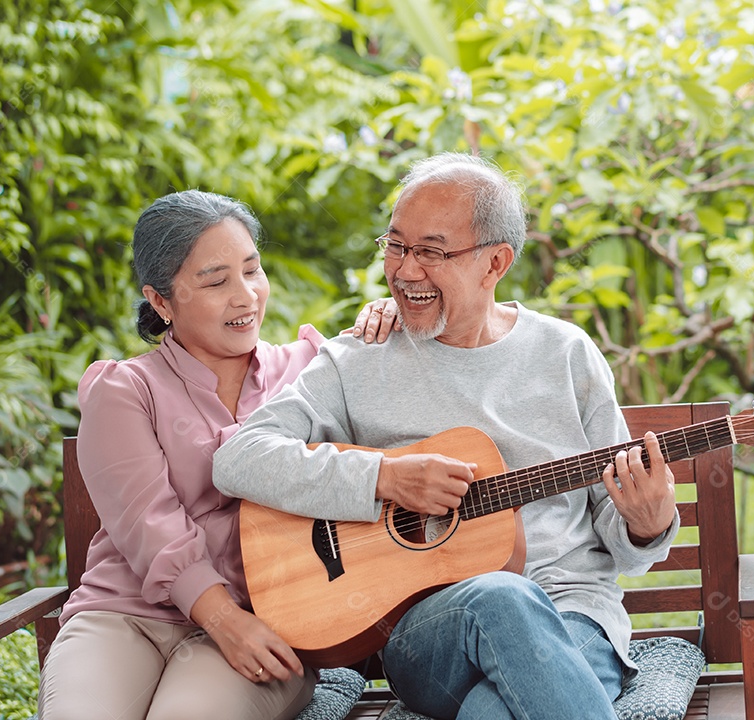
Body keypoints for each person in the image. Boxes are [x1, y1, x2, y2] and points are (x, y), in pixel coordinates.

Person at [212, 153, 680, 720]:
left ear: (495, 263)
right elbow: (239, 458)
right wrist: (385, 479)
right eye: (396, 245)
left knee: (492, 713)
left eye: (431, 252)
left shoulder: (566, 354)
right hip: (429, 635)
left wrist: (648, 523)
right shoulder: (360, 359)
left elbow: (618, 525)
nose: (406, 271)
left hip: (573, 616)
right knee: (503, 596)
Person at [37, 189, 397, 720]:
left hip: (267, 621)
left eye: (252, 270)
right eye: (215, 280)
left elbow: (414, 386)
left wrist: (393, 315)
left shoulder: (310, 371)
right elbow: (148, 522)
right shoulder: (125, 390)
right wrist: (223, 619)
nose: (245, 296)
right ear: (160, 301)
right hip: (126, 616)